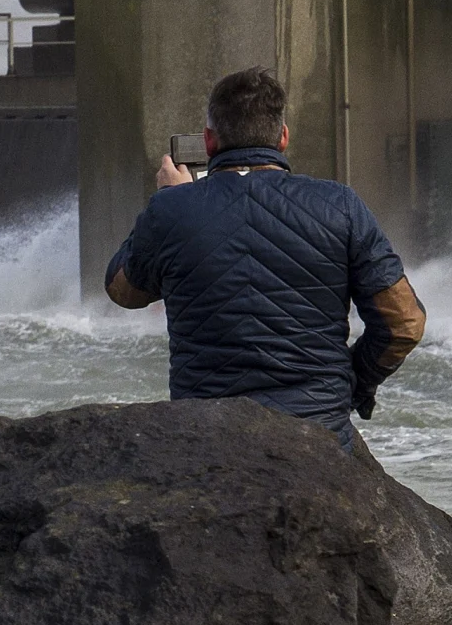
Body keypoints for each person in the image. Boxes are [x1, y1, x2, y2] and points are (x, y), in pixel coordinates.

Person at [104, 65, 428, 445]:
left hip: (206, 437)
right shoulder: (340, 205)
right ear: (284, 137)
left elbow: (124, 292)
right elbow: (405, 324)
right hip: (318, 437)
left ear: (209, 142)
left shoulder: (171, 210)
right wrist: (353, 384)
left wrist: (165, 201)